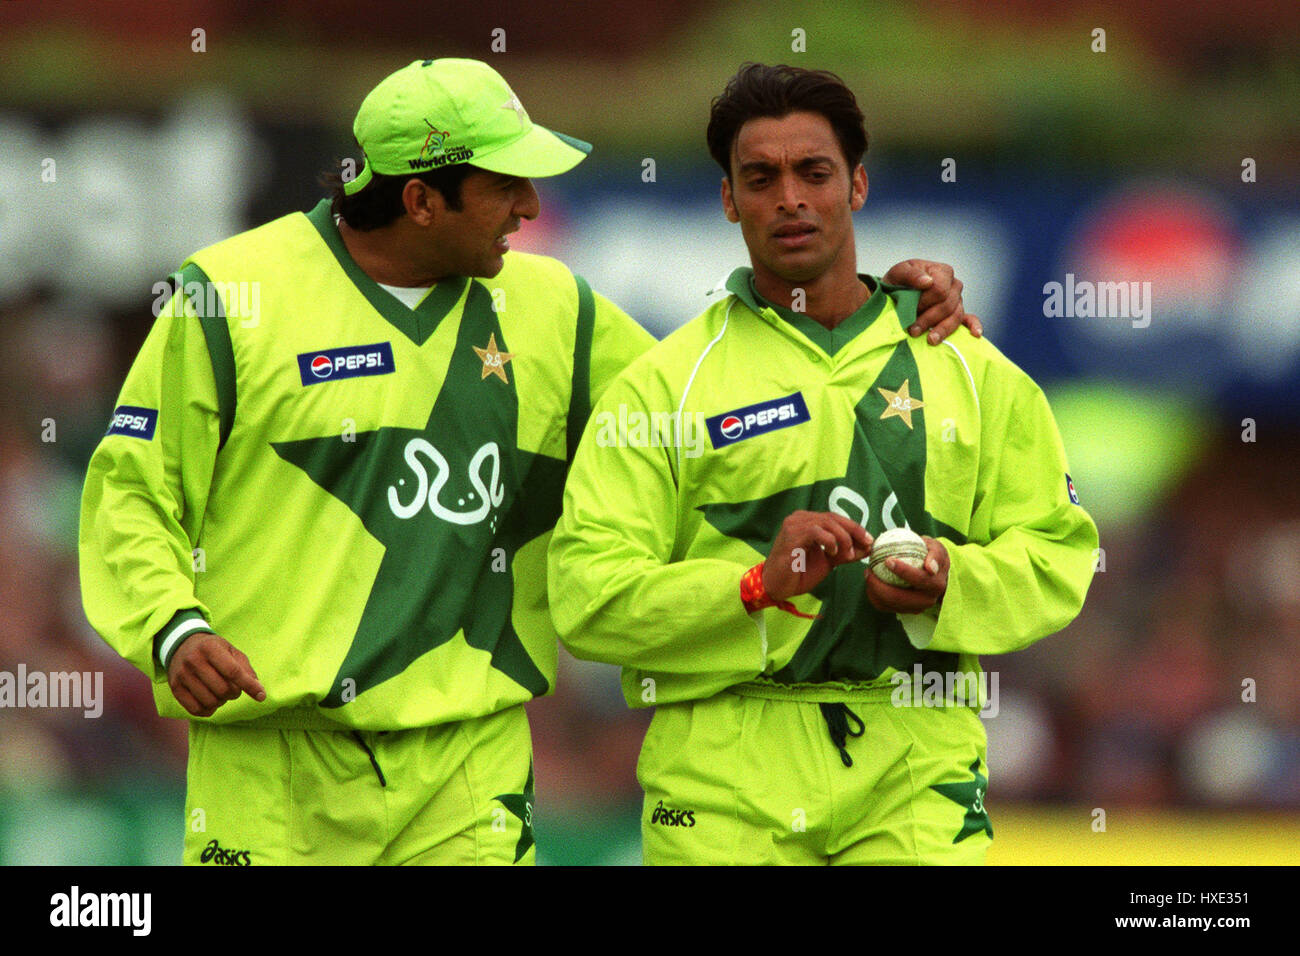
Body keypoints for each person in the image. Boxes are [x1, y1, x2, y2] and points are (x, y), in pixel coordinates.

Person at [79, 57, 979, 866]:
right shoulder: (230, 296)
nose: (531, 208)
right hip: (267, 767)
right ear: (423, 200)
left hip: (469, 771)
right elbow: (132, 490)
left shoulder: (555, 306)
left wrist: (869, 305)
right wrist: (173, 628)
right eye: (507, 185)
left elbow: (713, 400)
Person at [548, 63, 1098, 865]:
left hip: (920, 762)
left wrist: (953, 580)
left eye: (815, 173)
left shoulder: (975, 371)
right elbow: (585, 595)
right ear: (730, 201)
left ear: (859, 185)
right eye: (760, 178)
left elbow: (1059, 553)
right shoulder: (664, 384)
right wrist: (754, 587)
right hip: (720, 775)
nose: (791, 199)